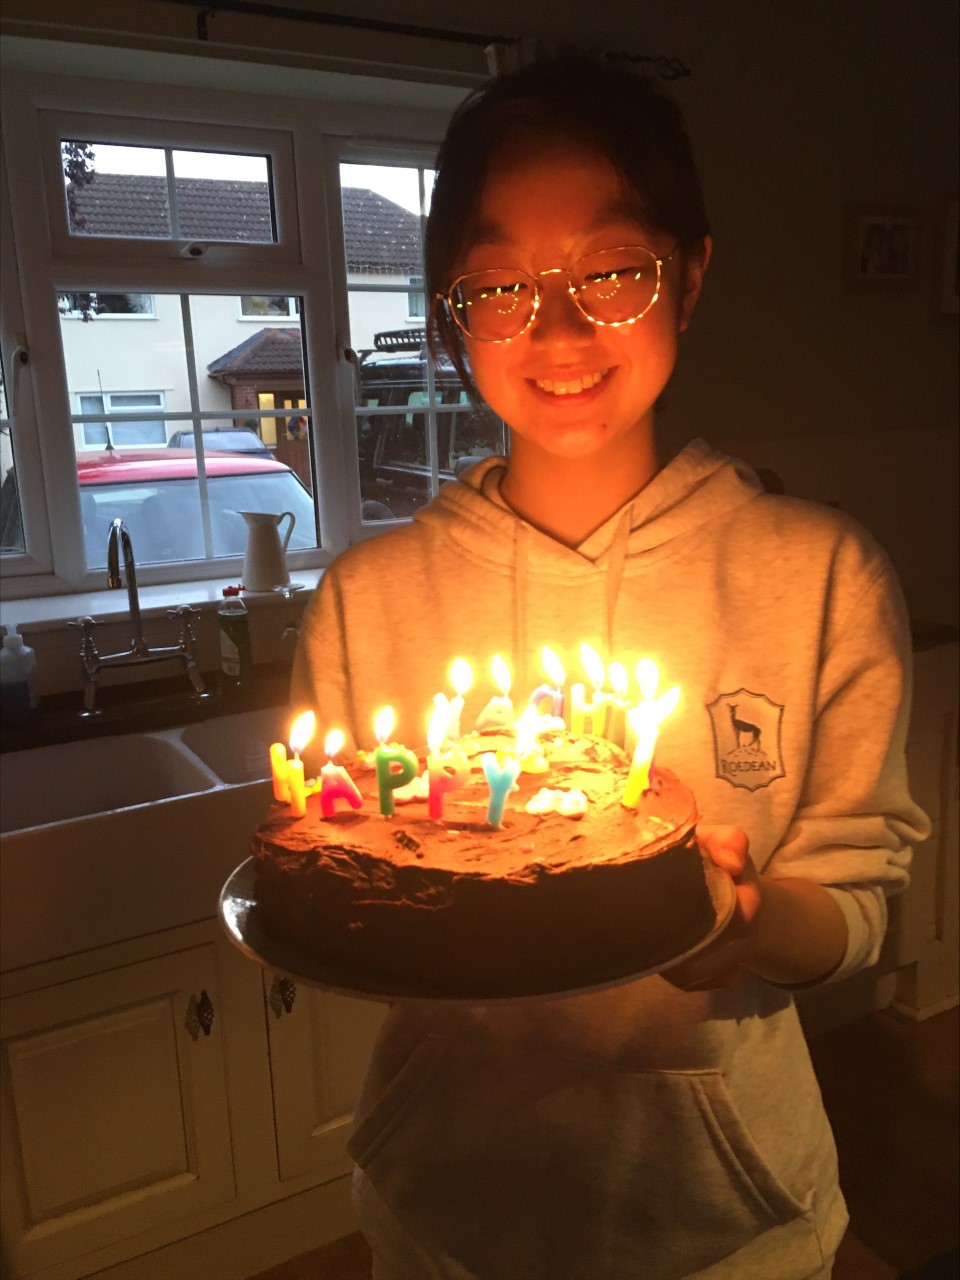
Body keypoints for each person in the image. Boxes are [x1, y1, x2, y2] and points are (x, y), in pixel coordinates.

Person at [291, 54, 930, 1280]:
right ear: (448, 312)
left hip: (730, 1225)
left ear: (690, 272)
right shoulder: (368, 604)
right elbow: (349, 896)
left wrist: (746, 922)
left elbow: (858, 905)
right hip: (446, 1220)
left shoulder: (823, 577)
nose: (561, 328)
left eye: (612, 271)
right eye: (500, 285)